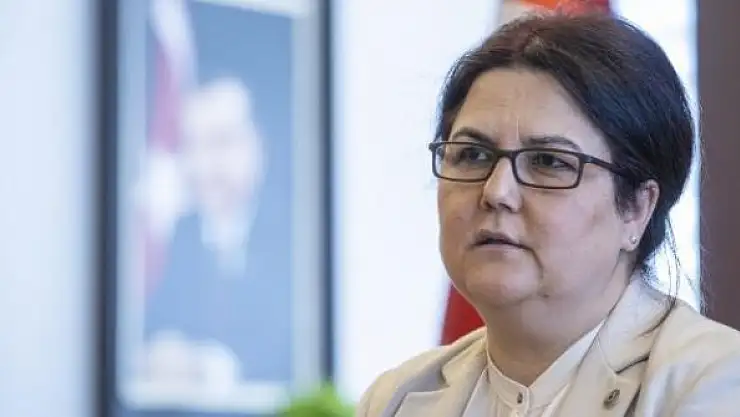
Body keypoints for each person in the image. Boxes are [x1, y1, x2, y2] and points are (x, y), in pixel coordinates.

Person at [357, 12, 740, 417]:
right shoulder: (396, 400)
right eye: (473, 155)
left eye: (548, 161)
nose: (496, 192)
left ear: (636, 208)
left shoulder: (715, 384)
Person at [142, 77, 293, 390]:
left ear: (259, 144)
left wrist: (207, 366)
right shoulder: (179, 235)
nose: (202, 166)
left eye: (220, 143)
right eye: (191, 145)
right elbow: (154, 330)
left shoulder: (294, 237)